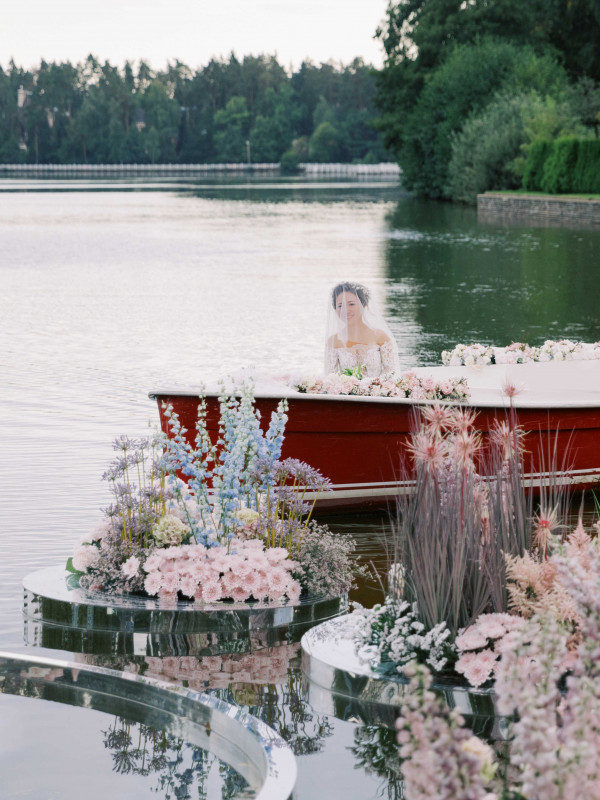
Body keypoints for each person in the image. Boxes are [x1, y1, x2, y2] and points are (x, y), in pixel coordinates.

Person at [324, 282, 399, 377]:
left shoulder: (380, 337)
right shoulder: (333, 341)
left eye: (351, 304)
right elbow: (330, 376)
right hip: (346, 390)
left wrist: (375, 387)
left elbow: (391, 371)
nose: (345, 310)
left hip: (377, 390)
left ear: (363, 305)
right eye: (340, 306)